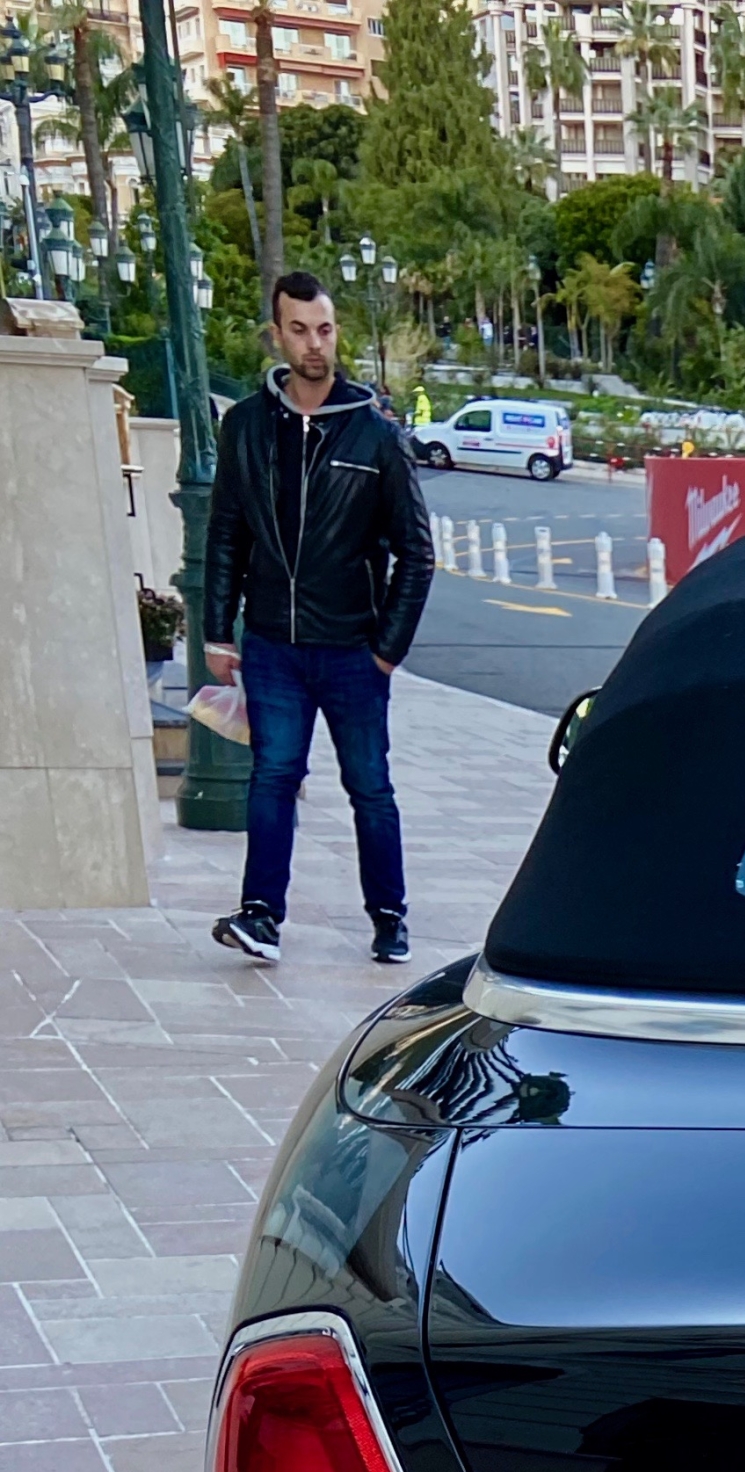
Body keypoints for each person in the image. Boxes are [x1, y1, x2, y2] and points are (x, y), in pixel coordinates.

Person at [202, 270, 434, 965]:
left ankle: (389, 916)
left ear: (337, 333)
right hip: (273, 642)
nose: (314, 344)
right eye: (299, 329)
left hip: (352, 650)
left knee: (369, 785)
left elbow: (417, 555)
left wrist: (386, 650)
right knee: (274, 774)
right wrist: (220, 630)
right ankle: (260, 915)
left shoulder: (375, 436)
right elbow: (225, 533)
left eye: (325, 329)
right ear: (277, 334)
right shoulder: (246, 427)